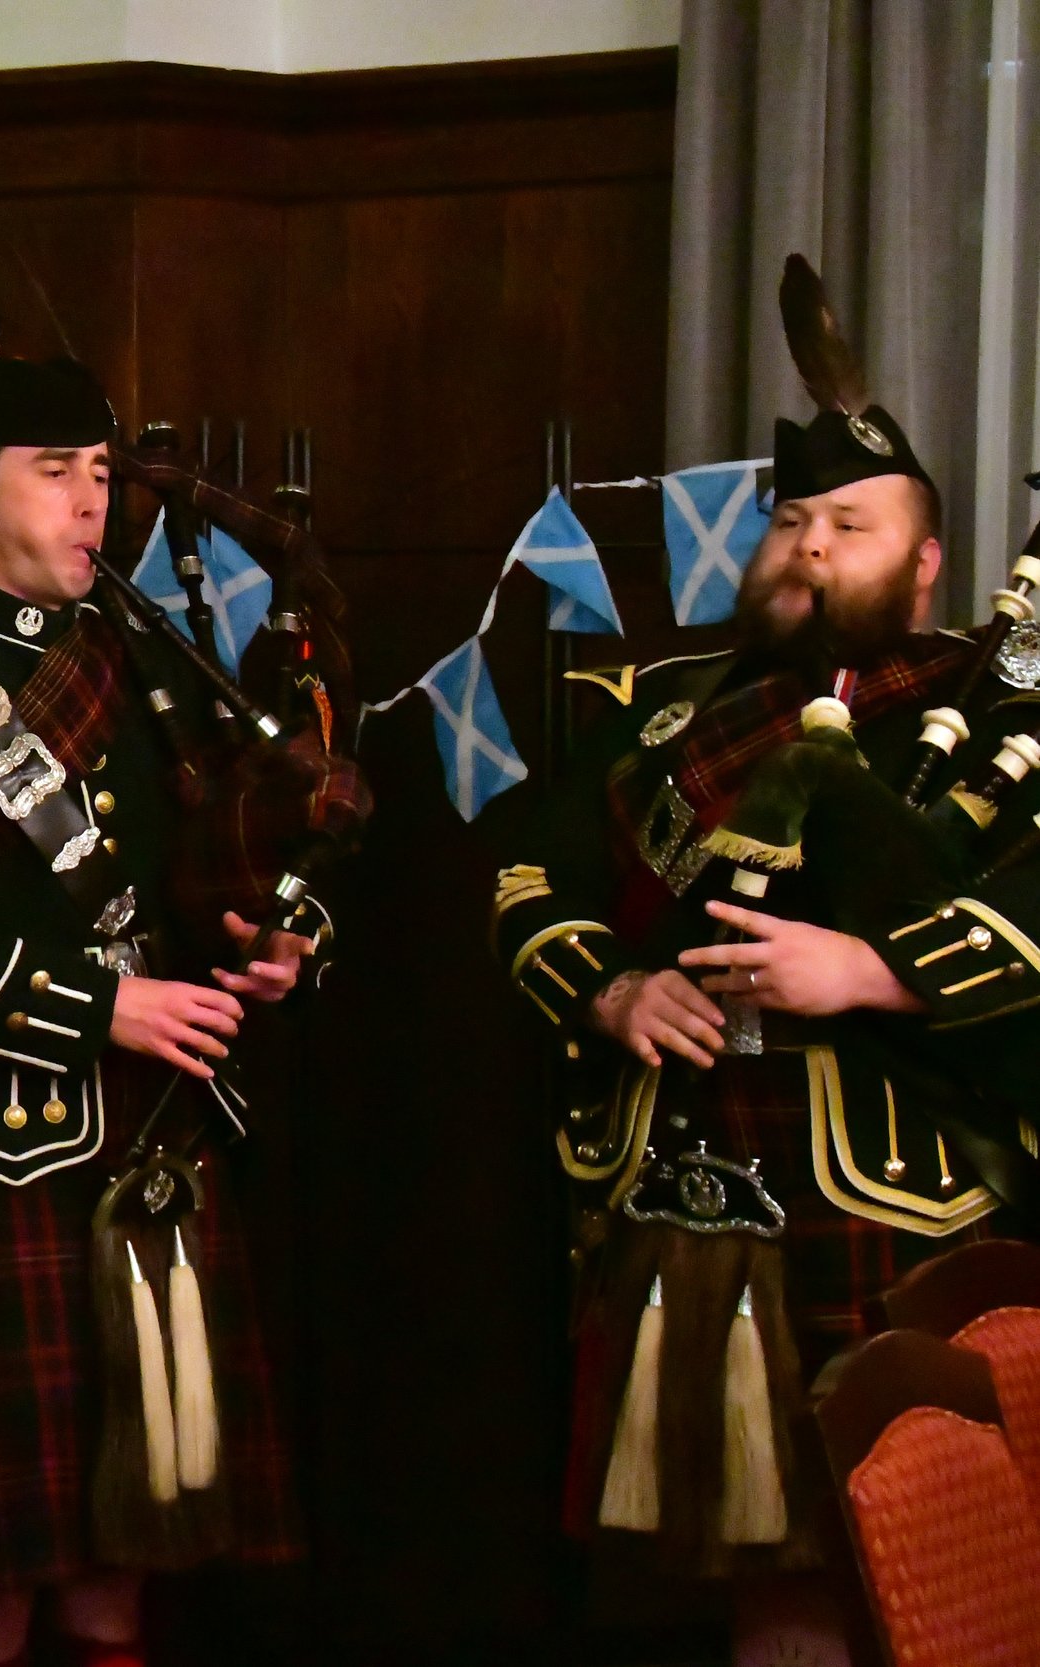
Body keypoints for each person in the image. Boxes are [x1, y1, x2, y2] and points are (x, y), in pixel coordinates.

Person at [494, 269, 1039, 1663]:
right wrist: (612, 988)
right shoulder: (664, 716)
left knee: (955, 1577)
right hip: (695, 1192)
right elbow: (526, 877)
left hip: (906, 1202)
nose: (808, 546)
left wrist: (876, 972)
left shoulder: (994, 713)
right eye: (793, 519)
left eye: (851, 525)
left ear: (925, 568)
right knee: (772, 1587)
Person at [0, 356, 326, 1667]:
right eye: (54, 474)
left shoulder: (154, 664)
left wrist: (278, 942)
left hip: (156, 1137)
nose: (92, 503)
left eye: (100, 475)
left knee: (122, 1554)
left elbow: (220, 862)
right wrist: (104, 1008)